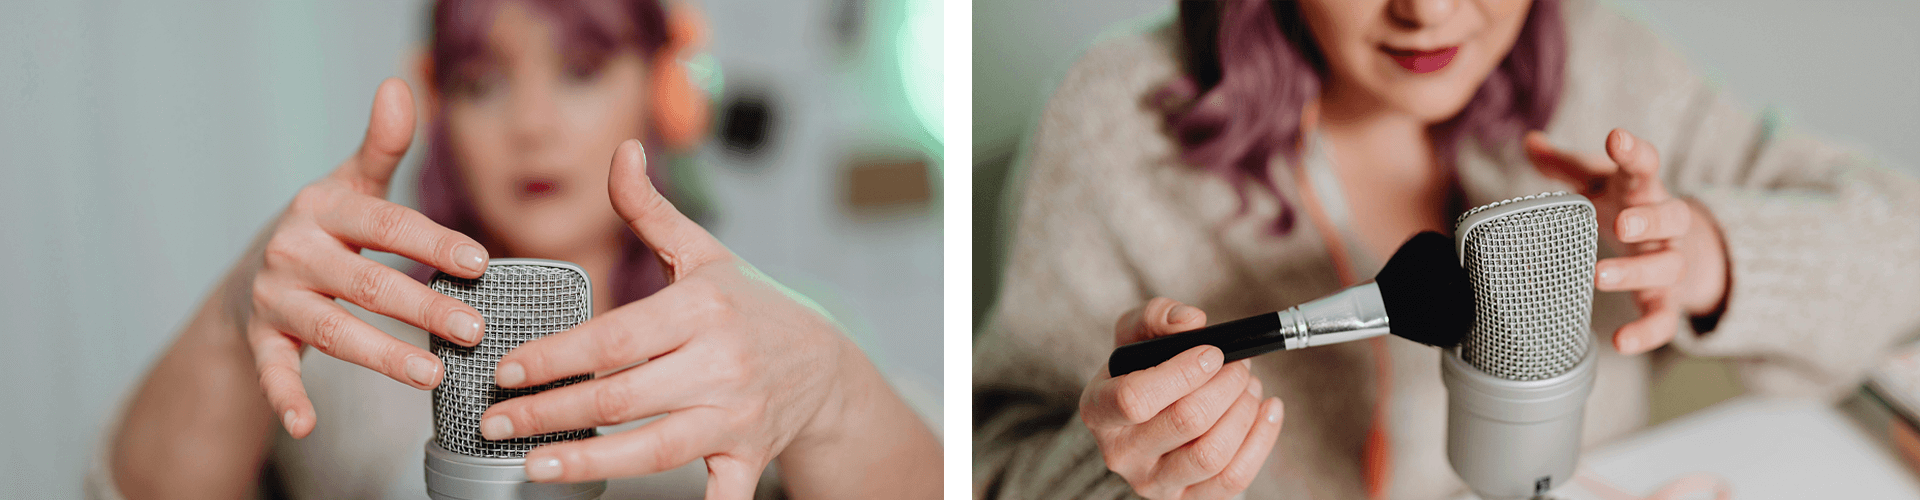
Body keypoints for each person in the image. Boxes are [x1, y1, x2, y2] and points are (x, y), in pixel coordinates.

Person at [972, 0, 1920, 499]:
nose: (1429, 10)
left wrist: (1710, 255)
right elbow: (991, 467)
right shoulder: (1115, 127)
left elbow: (1903, 243)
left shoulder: (1606, 67)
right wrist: (1129, 473)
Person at [96, 1, 941, 499]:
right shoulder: (348, 347)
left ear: (666, 86)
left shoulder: (760, 346)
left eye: (578, 70)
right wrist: (237, 308)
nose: (532, 125)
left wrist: (829, 386)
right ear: (440, 103)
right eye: (483, 82)